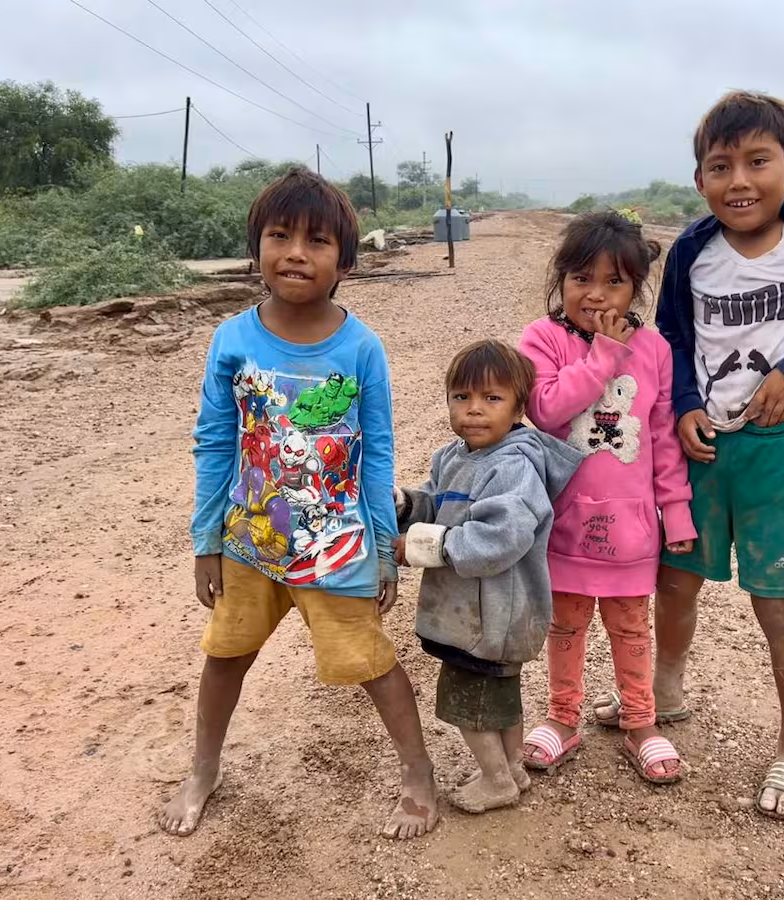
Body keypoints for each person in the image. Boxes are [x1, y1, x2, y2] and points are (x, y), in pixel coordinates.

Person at [593, 90, 784, 818]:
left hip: (782, 447)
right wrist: (680, 408)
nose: (740, 181)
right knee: (675, 582)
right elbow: (672, 337)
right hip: (704, 449)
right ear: (700, 179)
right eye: (720, 166)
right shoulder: (695, 253)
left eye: (758, 162)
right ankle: (662, 692)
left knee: (777, 603)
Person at [159, 167, 437, 841]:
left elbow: (375, 456)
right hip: (250, 541)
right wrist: (205, 542)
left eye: (316, 241)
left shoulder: (361, 348)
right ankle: (203, 769)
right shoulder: (233, 340)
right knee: (224, 656)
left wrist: (381, 552)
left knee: (370, 660)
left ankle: (418, 773)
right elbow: (215, 445)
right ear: (256, 248)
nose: (294, 253)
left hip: (335, 544)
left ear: (344, 261)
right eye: (278, 236)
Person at [517, 211, 698, 785]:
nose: (595, 294)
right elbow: (546, 408)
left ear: (636, 286)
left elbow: (665, 438)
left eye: (614, 281)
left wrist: (676, 511)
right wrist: (601, 356)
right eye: (580, 278)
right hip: (564, 521)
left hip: (631, 526)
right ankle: (562, 717)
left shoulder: (656, 349)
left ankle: (641, 722)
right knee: (565, 625)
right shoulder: (541, 339)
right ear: (561, 279)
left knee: (631, 627)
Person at [394, 339, 582, 814]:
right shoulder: (454, 456)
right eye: (462, 397)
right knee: (499, 695)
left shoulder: (514, 465)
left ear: (519, 406)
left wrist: (422, 546)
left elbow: (503, 536)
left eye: (491, 399)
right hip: (474, 610)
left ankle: (496, 779)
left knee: (469, 700)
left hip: (492, 615)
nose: (474, 411)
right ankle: (513, 767)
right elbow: (440, 503)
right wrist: (409, 507)